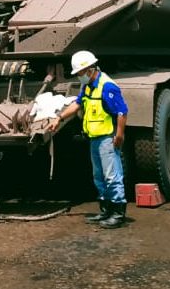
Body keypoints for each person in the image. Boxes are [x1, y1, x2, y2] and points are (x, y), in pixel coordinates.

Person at [48, 50, 129, 228]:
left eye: (79, 73)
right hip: (94, 138)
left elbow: (122, 112)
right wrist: (59, 117)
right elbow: (77, 103)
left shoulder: (107, 87)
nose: (79, 77)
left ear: (90, 70)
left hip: (108, 138)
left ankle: (118, 213)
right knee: (99, 176)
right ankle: (105, 210)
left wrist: (119, 135)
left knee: (112, 175)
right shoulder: (88, 86)